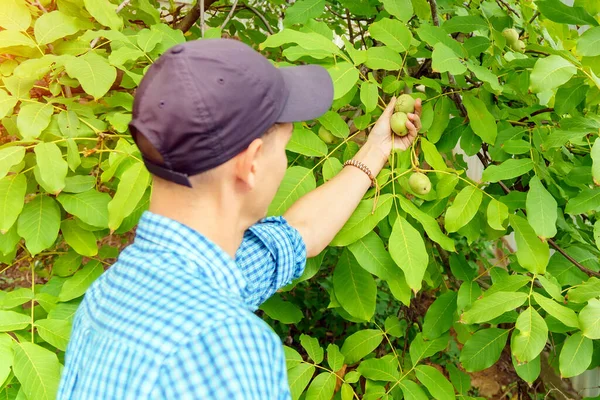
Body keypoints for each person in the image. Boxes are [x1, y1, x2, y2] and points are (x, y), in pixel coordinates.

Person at [57, 38, 422, 399]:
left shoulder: (112, 293)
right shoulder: (226, 349)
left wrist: (377, 149)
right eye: (284, 144)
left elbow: (300, 234)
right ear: (252, 163)